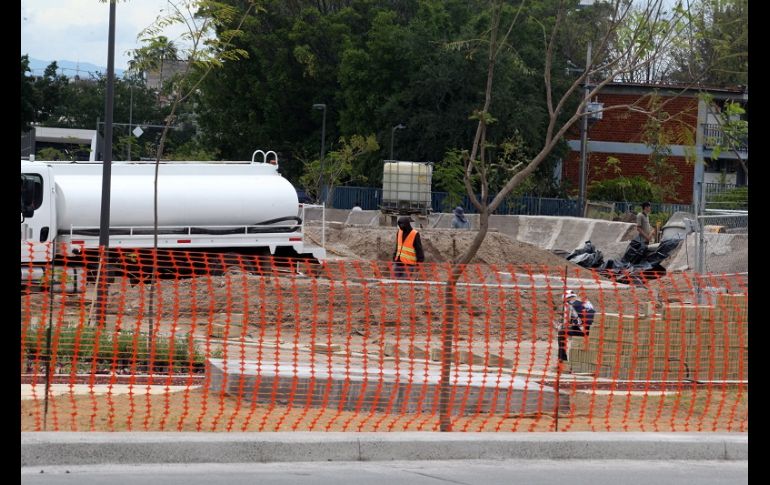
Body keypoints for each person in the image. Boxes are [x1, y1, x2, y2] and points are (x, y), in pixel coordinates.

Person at [557, 290, 595, 363]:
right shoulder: (587, 303)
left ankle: (562, 359)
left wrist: (560, 326)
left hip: (583, 331)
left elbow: (566, 322)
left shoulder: (568, 305)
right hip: (594, 330)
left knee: (562, 332)